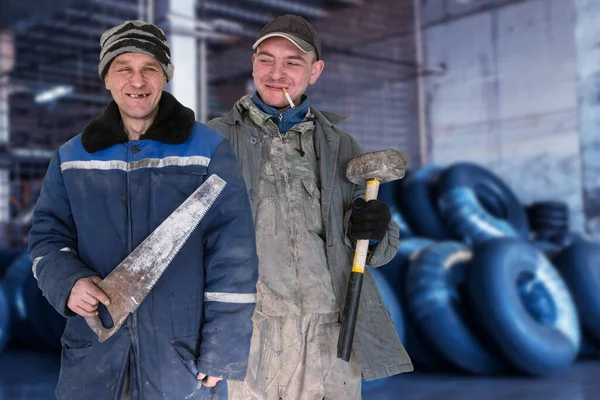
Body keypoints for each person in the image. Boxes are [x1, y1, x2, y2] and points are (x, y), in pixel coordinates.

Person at [28, 20, 258, 400]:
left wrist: (222, 352)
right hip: (94, 362)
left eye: (149, 68)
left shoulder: (207, 151)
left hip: (181, 361)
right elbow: (46, 239)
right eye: (124, 68)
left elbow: (234, 257)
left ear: (165, 75)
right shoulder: (72, 157)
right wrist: (68, 282)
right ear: (106, 78)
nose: (137, 81)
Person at [208, 14, 413, 400]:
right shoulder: (214, 140)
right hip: (251, 330)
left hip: (330, 330)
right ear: (252, 65)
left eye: (293, 62)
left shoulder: (341, 145)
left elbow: (375, 253)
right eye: (266, 59)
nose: (276, 73)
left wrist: (377, 227)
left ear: (315, 71)